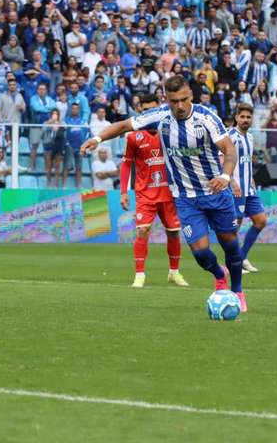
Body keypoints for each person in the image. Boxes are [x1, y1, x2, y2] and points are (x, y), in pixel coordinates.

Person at [81, 75, 247, 312]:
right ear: (166, 99)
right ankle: (220, 274)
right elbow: (124, 126)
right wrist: (97, 138)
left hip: (216, 192)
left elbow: (229, 150)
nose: (179, 106)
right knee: (200, 253)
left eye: (183, 100)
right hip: (186, 198)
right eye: (173, 101)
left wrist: (225, 176)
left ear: (191, 94)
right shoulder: (159, 116)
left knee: (230, 245)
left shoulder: (207, 117)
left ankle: (238, 291)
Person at [118, 93, 187, 288]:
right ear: (141, 110)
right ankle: (139, 275)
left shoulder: (170, 131)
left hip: (169, 192)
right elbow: (126, 164)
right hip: (145, 193)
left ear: (158, 109)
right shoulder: (133, 136)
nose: (149, 112)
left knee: (174, 233)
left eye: (152, 108)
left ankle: (174, 272)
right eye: (145, 109)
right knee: (142, 230)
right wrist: (124, 192)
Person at [229, 103, 267, 274]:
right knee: (234, 227)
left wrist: (250, 177)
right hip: (236, 187)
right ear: (236, 117)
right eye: (242, 117)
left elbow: (246, 159)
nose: (245, 120)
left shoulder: (250, 137)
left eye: (248, 117)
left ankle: (241, 257)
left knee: (261, 221)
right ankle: (233, 263)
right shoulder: (231, 136)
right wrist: (231, 180)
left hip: (248, 188)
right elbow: (223, 159)